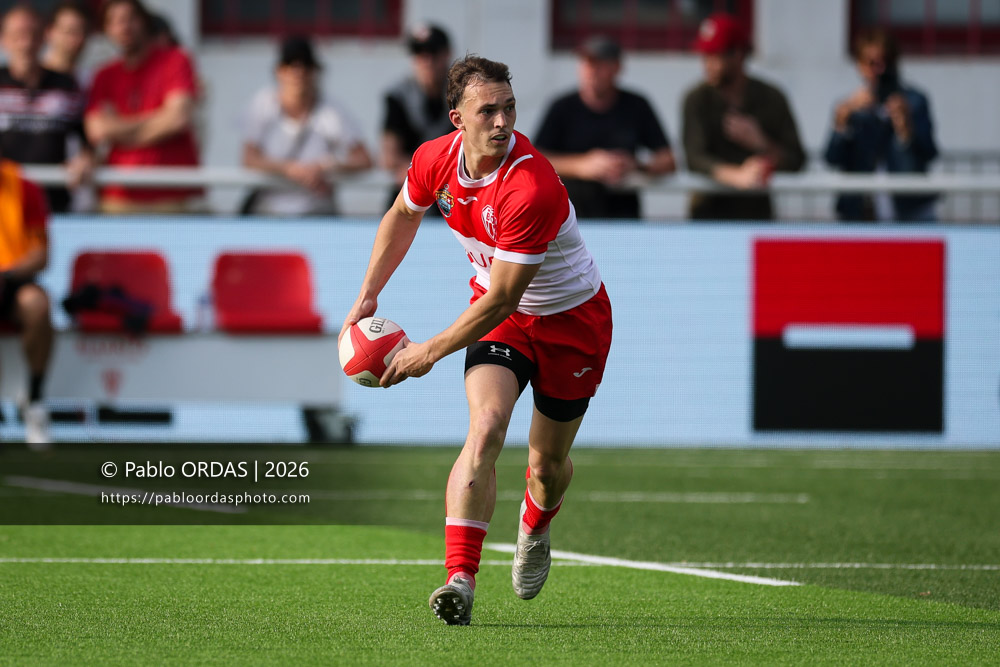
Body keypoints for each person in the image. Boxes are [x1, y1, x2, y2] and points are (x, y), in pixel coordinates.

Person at [340, 55, 612, 626]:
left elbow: (504, 297)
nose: (502, 121)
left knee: (547, 466)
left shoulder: (530, 187)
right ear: (456, 118)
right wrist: (367, 296)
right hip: (505, 323)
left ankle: (536, 525)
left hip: (571, 322)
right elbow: (403, 215)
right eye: (487, 110)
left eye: (509, 107)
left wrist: (428, 352)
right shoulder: (433, 158)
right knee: (486, 426)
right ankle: (459, 580)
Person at [534, 36, 675, 219]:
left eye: (599, 64)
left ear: (616, 68)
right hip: (570, 216)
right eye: (585, 63)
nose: (590, 70)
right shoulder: (562, 107)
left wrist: (634, 165)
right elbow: (536, 159)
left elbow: (668, 161)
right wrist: (581, 165)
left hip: (622, 216)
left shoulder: (636, 105)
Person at [682, 12, 805, 221]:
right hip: (707, 215)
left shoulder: (771, 97)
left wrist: (761, 143)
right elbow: (694, 158)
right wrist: (736, 176)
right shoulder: (697, 99)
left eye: (714, 55)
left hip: (756, 215)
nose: (707, 64)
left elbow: (796, 160)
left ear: (737, 55)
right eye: (705, 56)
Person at [84, 0, 201, 214]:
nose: (123, 27)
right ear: (106, 29)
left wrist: (119, 130)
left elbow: (177, 119)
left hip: (173, 194)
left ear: (144, 21)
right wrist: (159, 120)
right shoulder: (104, 76)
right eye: (114, 21)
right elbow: (97, 130)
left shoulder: (175, 60)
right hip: (119, 197)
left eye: (130, 18)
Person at [242, 35, 372, 216]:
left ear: (315, 71)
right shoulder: (263, 104)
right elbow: (249, 158)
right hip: (269, 211)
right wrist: (290, 169)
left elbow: (364, 159)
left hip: (317, 212)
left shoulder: (331, 111)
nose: (298, 73)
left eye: (305, 66)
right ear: (279, 71)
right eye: (290, 65)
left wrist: (326, 166)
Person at [824, 29, 939, 222]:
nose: (880, 70)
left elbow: (929, 152)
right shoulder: (851, 107)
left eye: (886, 61)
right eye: (872, 63)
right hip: (861, 213)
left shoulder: (914, 102)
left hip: (909, 211)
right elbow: (832, 158)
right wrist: (841, 123)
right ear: (859, 66)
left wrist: (905, 129)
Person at [0, 3, 92, 213]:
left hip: (53, 204)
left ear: (44, 38)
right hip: (5, 207)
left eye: (33, 35)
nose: (26, 43)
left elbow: (87, 138)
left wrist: (86, 158)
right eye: (17, 35)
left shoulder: (66, 85)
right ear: (4, 39)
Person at [0, 155, 55, 446]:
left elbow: (41, 255)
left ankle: (35, 401)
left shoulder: (24, 188)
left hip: (14, 280)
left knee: (37, 304)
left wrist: (6, 275)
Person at [380, 23, 455, 211]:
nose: (426, 61)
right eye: (419, 54)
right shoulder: (398, 96)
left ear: (447, 54)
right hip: (409, 193)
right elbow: (389, 157)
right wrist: (429, 174)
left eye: (433, 53)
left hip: (454, 194)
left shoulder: (464, 96)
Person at [42, 1, 92, 83]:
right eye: (69, 31)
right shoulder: (31, 79)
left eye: (83, 32)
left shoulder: (89, 81)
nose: (77, 39)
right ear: (49, 32)